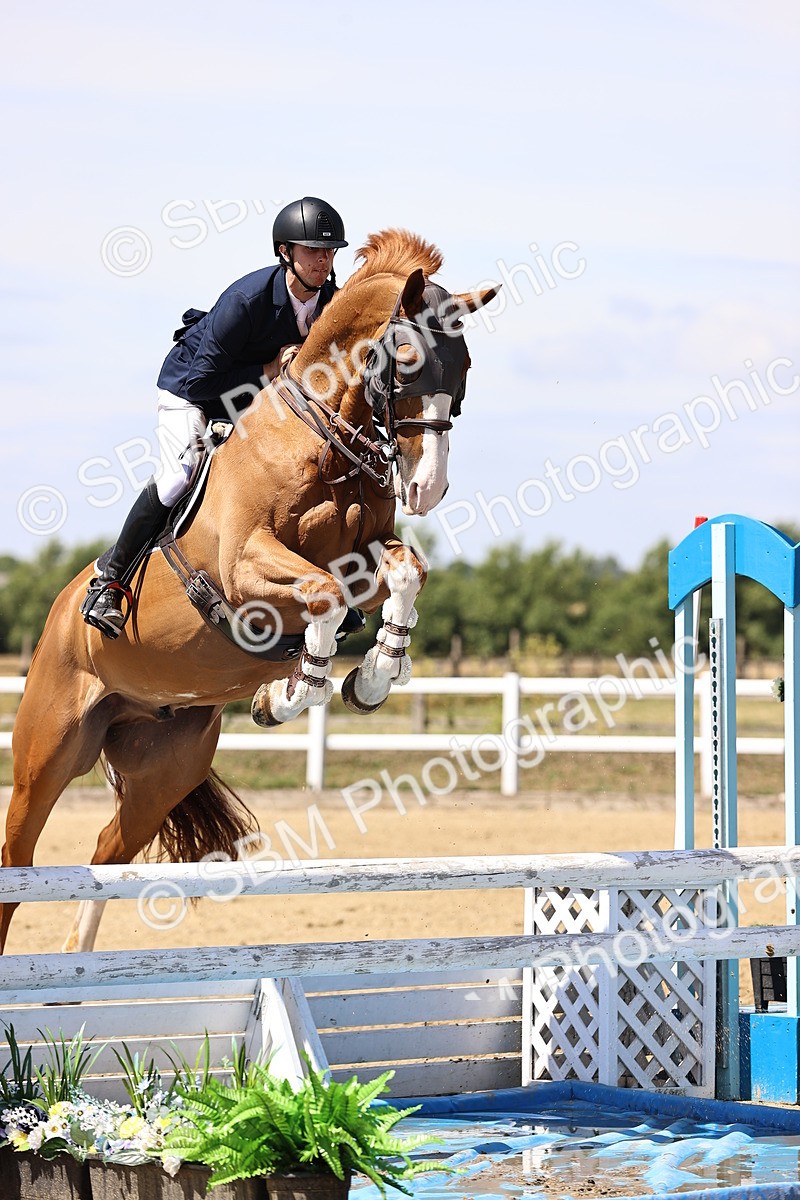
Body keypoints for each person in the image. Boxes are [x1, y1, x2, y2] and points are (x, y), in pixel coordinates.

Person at [82, 196, 348, 638]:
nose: (323, 260)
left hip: (255, 400)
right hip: (192, 391)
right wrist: (268, 370)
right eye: (311, 250)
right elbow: (204, 383)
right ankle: (109, 581)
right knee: (177, 476)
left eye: (329, 251)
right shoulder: (247, 300)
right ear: (285, 252)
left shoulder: (330, 305)